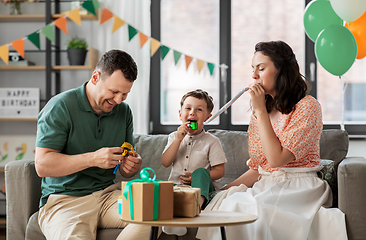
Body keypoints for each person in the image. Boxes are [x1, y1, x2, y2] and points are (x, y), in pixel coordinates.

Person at [196, 41, 348, 240]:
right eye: (253, 69)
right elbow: (259, 168)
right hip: (266, 185)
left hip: (299, 188)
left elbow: (276, 159)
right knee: (229, 204)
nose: (254, 76)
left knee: (255, 210)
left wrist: (259, 111)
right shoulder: (261, 112)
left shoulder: (308, 107)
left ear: (282, 71)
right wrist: (224, 190)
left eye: (261, 68)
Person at [35, 49, 146, 239]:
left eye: (125, 94)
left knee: (156, 219)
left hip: (107, 196)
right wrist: (93, 158)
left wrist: (130, 167)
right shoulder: (60, 106)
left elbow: (126, 170)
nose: (119, 100)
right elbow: (43, 165)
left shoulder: (124, 112)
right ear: (95, 77)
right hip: (65, 201)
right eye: (114, 91)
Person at [161, 89, 227, 236]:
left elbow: (220, 171)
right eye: (188, 108)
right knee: (162, 187)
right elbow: (165, 162)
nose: (192, 113)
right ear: (180, 114)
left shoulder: (212, 141)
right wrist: (178, 139)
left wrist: (196, 177)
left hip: (204, 192)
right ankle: (176, 214)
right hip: (178, 188)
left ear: (207, 117)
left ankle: (195, 207)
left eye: (199, 110)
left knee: (200, 172)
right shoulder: (173, 137)